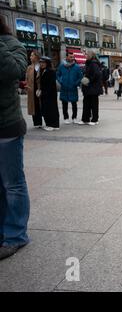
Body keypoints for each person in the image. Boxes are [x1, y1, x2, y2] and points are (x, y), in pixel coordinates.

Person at [0, 16, 31, 260]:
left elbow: (14, 70)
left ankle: (15, 235)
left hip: (6, 125)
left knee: (12, 183)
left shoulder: (11, 44)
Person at [57, 52, 83, 124]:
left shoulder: (77, 67)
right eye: (70, 57)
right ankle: (66, 118)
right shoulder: (61, 66)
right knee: (64, 104)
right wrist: (61, 81)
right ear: (67, 57)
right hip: (64, 88)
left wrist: (76, 83)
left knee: (74, 104)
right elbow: (58, 75)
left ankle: (74, 117)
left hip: (73, 88)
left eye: (73, 57)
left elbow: (80, 77)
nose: (72, 58)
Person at [79, 50, 103, 125]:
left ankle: (95, 119)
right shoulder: (88, 63)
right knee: (86, 103)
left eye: (87, 54)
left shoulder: (94, 64)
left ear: (91, 55)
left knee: (94, 104)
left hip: (93, 87)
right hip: (88, 88)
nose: (85, 56)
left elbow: (96, 75)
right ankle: (85, 119)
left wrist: (88, 80)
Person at [39, 56, 60, 131]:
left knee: (51, 109)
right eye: (40, 62)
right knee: (47, 109)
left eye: (43, 62)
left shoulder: (50, 71)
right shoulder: (43, 71)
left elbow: (50, 84)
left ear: (47, 63)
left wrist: (44, 92)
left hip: (50, 94)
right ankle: (50, 124)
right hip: (46, 94)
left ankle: (53, 125)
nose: (41, 64)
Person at [25, 50, 43, 128]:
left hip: (40, 89)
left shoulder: (41, 66)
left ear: (36, 57)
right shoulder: (29, 67)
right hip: (32, 90)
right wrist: (27, 86)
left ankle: (43, 121)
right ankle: (36, 123)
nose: (30, 57)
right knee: (34, 106)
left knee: (41, 105)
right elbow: (27, 79)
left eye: (32, 55)